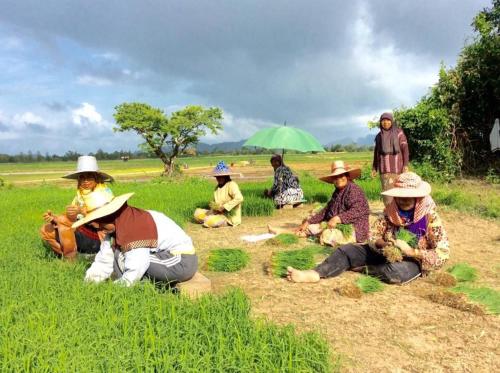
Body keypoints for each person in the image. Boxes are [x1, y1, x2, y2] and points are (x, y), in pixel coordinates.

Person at [287, 172, 449, 285]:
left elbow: (442, 252)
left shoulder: (430, 218)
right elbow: (373, 235)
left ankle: (363, 269)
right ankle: (315, 273)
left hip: (411, 261)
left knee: (394, 272)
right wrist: (385, 245)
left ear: (418, 197)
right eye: (400, 196)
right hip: (384, 253)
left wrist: (412, 252)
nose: (403, 200)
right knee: (346, 250)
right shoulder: (391, 212)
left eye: (408, 197)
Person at [74, 193, 198, 287]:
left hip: (181, 260)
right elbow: (104, 259)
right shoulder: (116, 225)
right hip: (160, 257)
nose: (99, 229)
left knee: (123, 257)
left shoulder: (134, 225)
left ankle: (137, 288)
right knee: (118, 253)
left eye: (101, 224)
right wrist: (89, 283)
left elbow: (138, 264)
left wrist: (118, 289)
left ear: (110, 217)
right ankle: (142, 286)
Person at [271, 161, 369, 247]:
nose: (338, 179)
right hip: (336, 225)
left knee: (326, 234)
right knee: (310, 226)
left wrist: (337, 218)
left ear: (347, 177)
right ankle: (285, 232)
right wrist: (309, 222)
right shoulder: (337, 191)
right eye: (335, 177)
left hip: (355, 229)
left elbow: (358, 210)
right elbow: (326, 210)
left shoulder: (354, 190)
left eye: (341, 175)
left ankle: (307, 233)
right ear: (333, 180)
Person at [39, 155, 114, 259]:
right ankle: (65, 256)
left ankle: (70, 261)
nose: (85, 181)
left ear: (97, 179)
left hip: (97, 238)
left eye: (89, 177)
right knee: (46, 230)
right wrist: (54, 219)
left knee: (63, 225)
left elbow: (109, 226)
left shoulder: (104, 196)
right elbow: (71, 219)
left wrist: (83, 213)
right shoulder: (80, 196)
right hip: (82, 233)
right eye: (82, 177)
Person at [371, 112, 410, 206]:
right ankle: (390, 215)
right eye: (383, 120)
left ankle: (400, 215)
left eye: (388, 120)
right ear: (380, 122)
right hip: (385, 171)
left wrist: (405, 165)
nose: (386, 122)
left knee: (399, 193)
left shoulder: (399, 133)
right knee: (388, 195)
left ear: (392, 121)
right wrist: (374, 168)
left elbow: (405, 149)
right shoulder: (379, 136)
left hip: (398, 170)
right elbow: (376, 153)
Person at [193, 161, 244, 227]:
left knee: (209, 221)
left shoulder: (231, 185)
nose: (218, 178)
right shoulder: (217, 188)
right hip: (218, 213)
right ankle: (210, 218)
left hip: (229, 217)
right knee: (197, 214)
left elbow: (239, 198)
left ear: (226, 176)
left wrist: (224, 207)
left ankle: (216, 220)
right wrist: (213, 208)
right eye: (217, 176)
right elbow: (215, 203)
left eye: (221, 176)